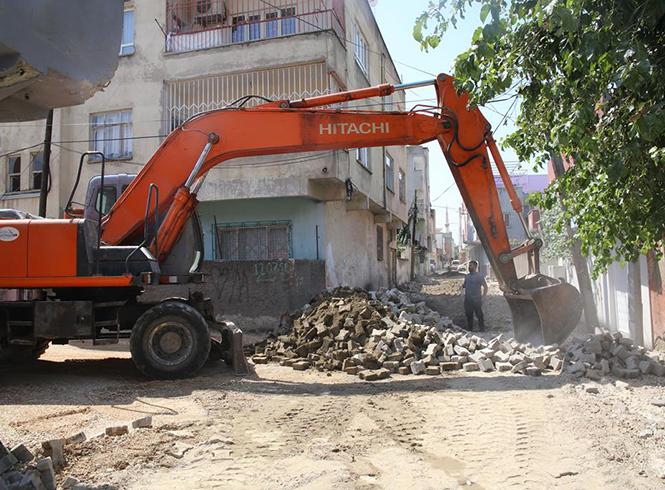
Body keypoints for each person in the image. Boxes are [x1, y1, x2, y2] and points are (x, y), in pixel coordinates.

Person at [462, 260, 488, 332]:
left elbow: (485, 287)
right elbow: (464, 285)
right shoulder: (466, 276)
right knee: (469, 316)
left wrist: (483, 296)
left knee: (479, 315)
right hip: (468, 299)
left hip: (477, 299)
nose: (469, 267)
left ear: (475, 267)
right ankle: (470, 330)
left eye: (471, 266)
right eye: (469, 266)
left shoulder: (479, 276)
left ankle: (482, 330)